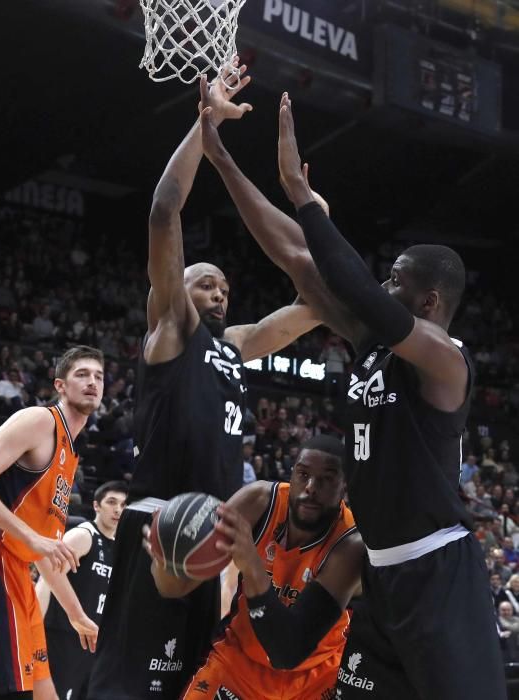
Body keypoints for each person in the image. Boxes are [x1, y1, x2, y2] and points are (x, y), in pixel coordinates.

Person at [198, 90, 505, 698]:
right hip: (379, 567)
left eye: (397, 280)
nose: (383, 286)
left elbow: (357, 289)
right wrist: (219, 155)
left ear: (429, 302)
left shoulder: (448, 363)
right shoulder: (374, 346)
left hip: (439, 571)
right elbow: (296, 256)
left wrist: (305, 198)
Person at [87, 66, 321, 700]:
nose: (218, 291)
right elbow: (165, 210)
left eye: (224, 286)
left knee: (188, 681)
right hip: (161, 518)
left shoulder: (236, 345)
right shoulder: (172, 327)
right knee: (129, 681)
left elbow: (309, 310)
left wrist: (325, 242)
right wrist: (205, 123)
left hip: (210, 533)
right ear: (178, 290)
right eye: (205, 282)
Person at [144, 435, 363, 700]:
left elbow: (287, 651)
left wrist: (251, 564)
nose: (311, 487)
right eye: (303, 474)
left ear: (345, 487)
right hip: (237, 664)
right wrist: (166, 558)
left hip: (314, 678)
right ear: (290, 474)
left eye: (326, 479)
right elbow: (175, 588)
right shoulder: (259, 501)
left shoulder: (351, 544)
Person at [0, 345, 105, 700]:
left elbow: (47, 553)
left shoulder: (71, 453)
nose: (92, 381)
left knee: (43, 693)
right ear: (60, 386)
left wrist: (76, 614)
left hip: (16, 569)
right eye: (82, 374)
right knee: (13, 694)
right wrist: (32, 538)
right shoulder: (40, 421)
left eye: (98, 376)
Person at [36, 481, 128, 700]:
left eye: (123, 505)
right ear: (97, 506)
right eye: (111, 502)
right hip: (64, 636)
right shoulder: (84, 535)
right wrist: (34, 625)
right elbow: (47, 576)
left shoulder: (119, 546)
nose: (117, 510)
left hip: (94, 640)